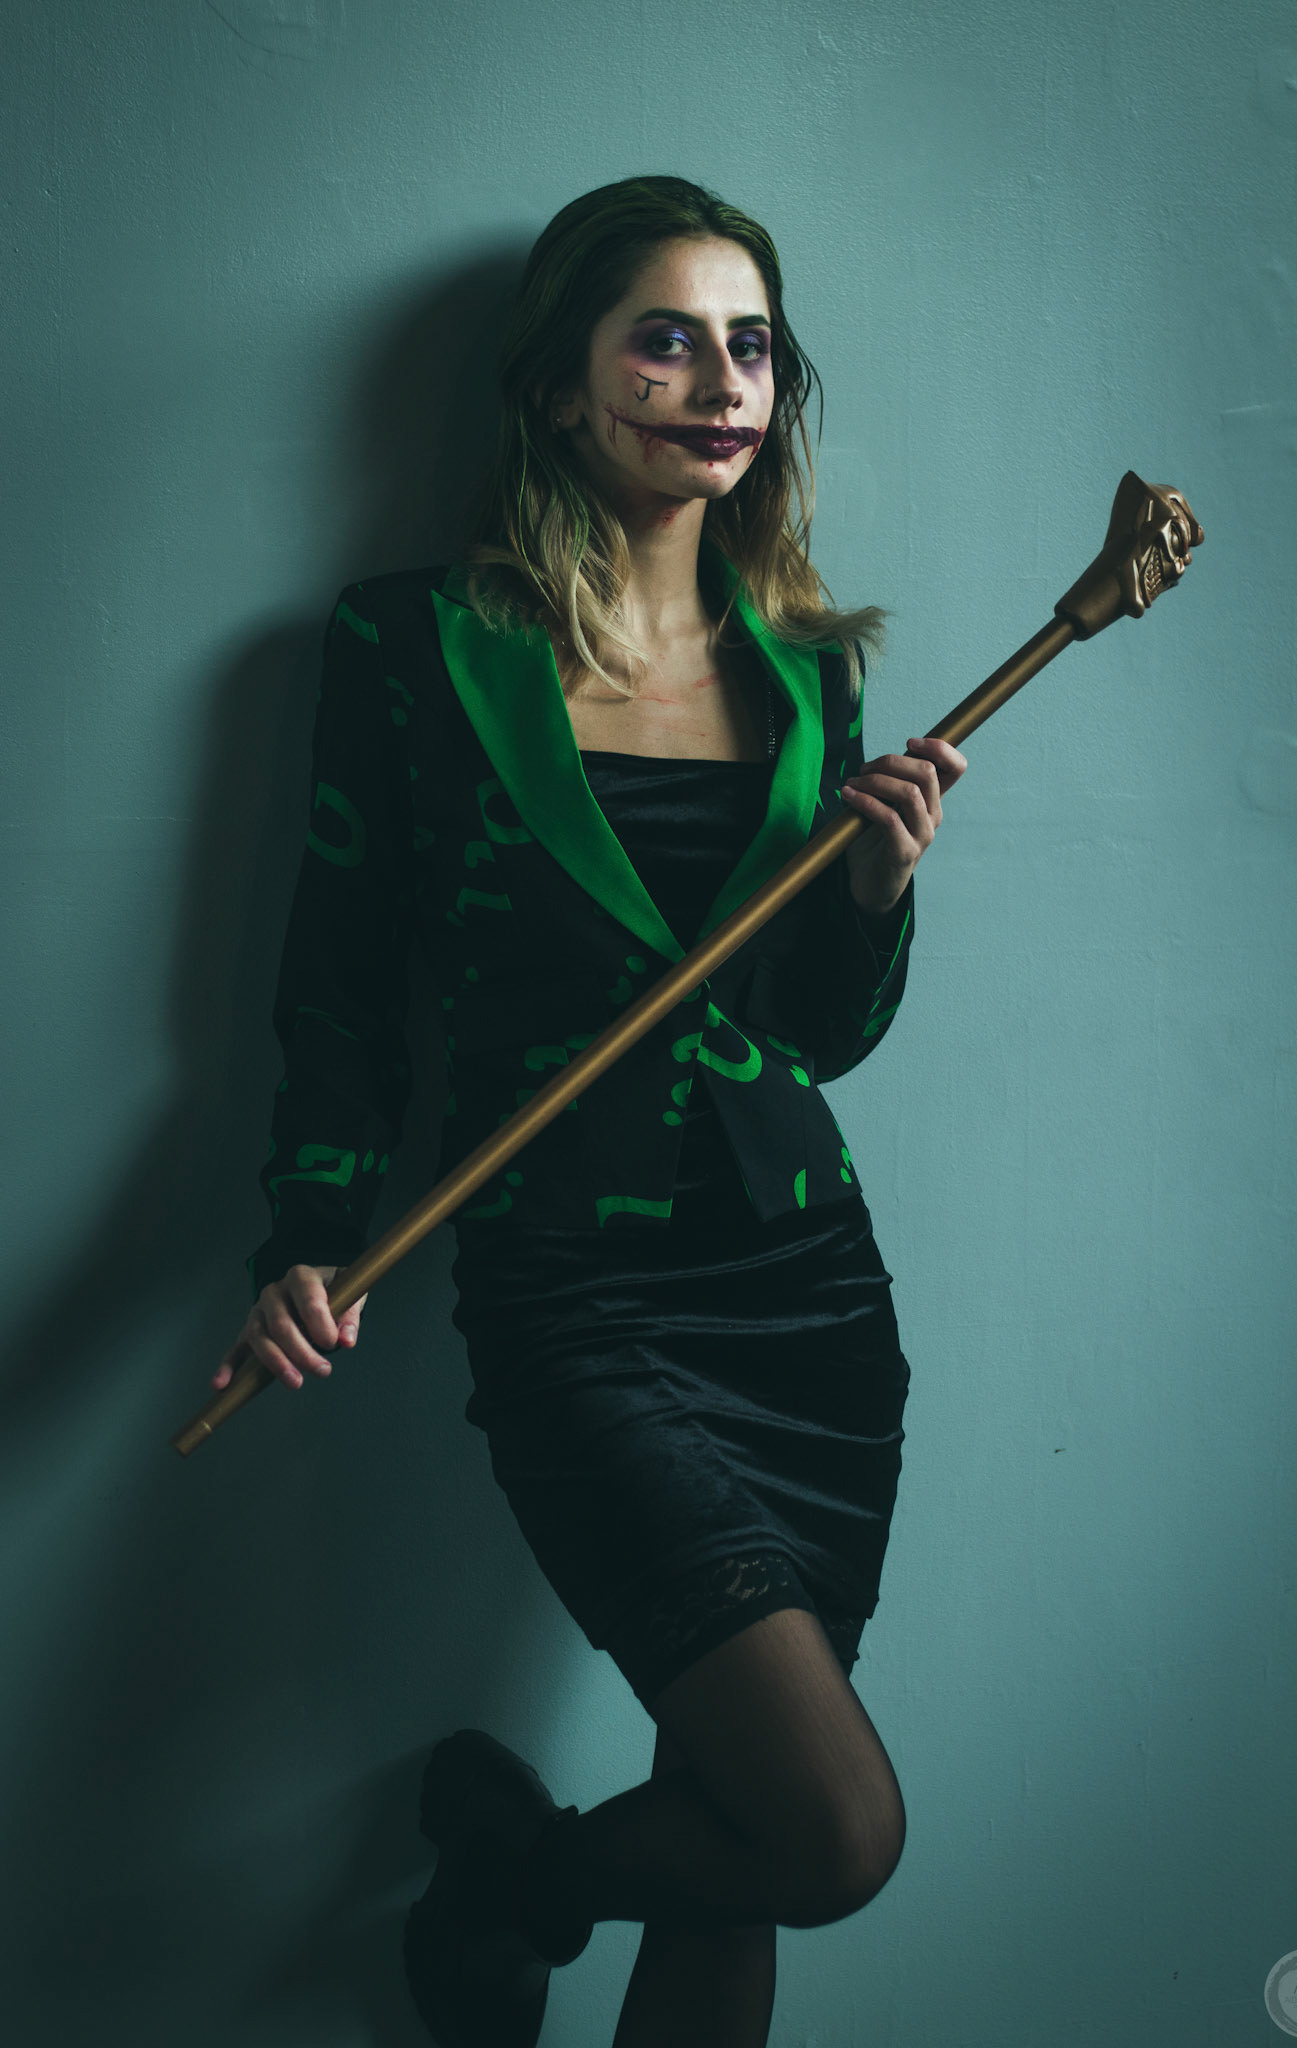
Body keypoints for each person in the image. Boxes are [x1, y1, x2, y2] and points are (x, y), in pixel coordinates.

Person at [212, 174, 966, 2048]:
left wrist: (877, 896)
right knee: (829, 1832)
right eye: (666, 338)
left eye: (751, 345)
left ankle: (511, 1882)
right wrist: (308, 1237)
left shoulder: (807, 665)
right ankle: (514, 1882)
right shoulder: (411, 647)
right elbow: (340, 986)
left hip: (808, 1302)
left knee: (740, 1833)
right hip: (577, 1298)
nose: (721, 382)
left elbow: (817, 1037)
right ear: (559, 385)